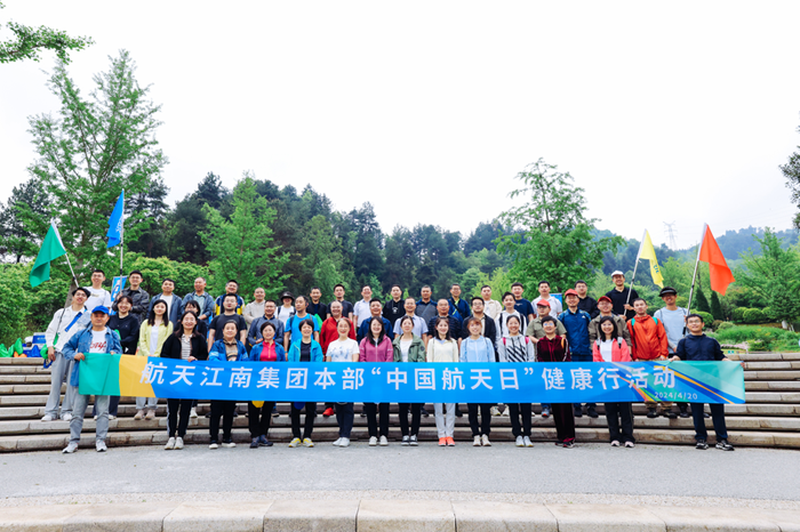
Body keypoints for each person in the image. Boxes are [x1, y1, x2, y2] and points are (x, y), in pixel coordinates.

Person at [61, 305, 122, 454]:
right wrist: (74, 355)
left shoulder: (112, 335)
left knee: (102, 412)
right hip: (84, 376)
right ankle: (73, 441)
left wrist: (114, 353)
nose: (99, 318)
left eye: (102, 316)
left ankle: (100, 440)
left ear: (107, 318)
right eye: (96, 315)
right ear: (91, 317)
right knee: (77, 411)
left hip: (103, 377)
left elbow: (119, 351)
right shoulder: (82, 334)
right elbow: (66, 348)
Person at [671, 314, 735, 451]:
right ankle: (700, 438)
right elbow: (679, 356)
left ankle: (722, 439)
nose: (694, 324)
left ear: (703, 324)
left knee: (718, 411)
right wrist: (674, 359)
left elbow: (720, 357)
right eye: (691, 322)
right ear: (687, 325)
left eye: (697, 321)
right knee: (697, 411)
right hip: (694, 381)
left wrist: (733, 363)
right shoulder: (684, 342)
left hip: (713, 380)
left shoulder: (711, 341)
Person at [160, 310, 208, 450]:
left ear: (196, 322)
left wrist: (196, 359)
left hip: (190, 379)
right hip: (174, 378)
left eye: (191, 319)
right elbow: (164, 354)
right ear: (181, 321)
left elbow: (204, 356)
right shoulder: (173, 337)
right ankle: (171, 436)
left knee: (185, 409)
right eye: (186, 319)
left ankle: (181, 436)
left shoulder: (200, 338)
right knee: (172, 409)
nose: (189, 321)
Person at [42, 287, 91, 422]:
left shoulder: (88, 315)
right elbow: (51, 330)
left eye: (83, 295)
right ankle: (50, 412)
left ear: (86, 299)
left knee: (71, 383)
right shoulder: (61, 312)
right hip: (59, 350)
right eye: (78, 294)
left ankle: (67, 411)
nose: (80, 297)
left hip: (76, 354)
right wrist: (50, 346)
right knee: (55, 383)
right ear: (73, 297)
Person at [592, 316, 635, 448]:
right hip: (606, 380)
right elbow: (596, 360)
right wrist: (607, 371)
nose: (607, 327)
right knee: (610, 410)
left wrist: (617, 371)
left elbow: (625, 359)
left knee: (625, 410)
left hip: (621, 380)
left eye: (609, 324)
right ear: (600, 327)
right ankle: (614, 437)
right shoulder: (597, 343)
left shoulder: (621, 341)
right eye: (604, 325)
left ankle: (628, 437)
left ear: (614, 326)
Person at [627, 298, 673, 418]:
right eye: (637, 305)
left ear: (646, 306)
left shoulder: (655, 320)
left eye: (642, 304)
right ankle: (651, 407)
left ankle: (667, 407)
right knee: (647, 384)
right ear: (634, 308)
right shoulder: (631, 323)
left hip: (658, 356)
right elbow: (631, 341)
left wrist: (664, 353)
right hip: (641, 358)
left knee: (663, 382)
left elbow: (662, 337)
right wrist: (635, 357)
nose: (640, 307)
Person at [537, 316, 576, 448]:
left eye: (550, 323)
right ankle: (561, 436)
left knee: (566, 408)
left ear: (555, 326)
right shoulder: (540, 342)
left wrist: (558, 369)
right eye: (545, 324)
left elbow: (566, 358)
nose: (548, 326)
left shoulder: (562, 341)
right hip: (550, 378)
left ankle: (569, 437)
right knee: (556, 407)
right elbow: (539, 358)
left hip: (562, 377)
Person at [207, 321, 248, 449]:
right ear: (223, 331)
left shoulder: (240, 345)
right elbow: (212, 359)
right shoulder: (217, 344)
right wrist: (228, 366)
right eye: (227, 328)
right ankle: (213, 439)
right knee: (215, 411)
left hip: (233, 383)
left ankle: (227, 438)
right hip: (218, 382)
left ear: (236, 331)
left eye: (232, 328)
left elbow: (245, 361)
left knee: (229, 411)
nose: (230, 330)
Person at [497, 315, 535, 447]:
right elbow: (503, 360)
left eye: (516, 323)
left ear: (520, 325)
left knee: (526, 407)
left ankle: (527, 434)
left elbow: (531, 358)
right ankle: (517, 434)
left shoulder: (526, 340)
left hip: (525, 377)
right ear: (507, 325)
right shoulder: (502, 341)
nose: (513, 326)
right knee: (513, 407)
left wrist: (525, 372)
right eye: (511, 323)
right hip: (510, 378)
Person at [559, 289, 597, 419]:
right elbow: (562, 334)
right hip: (572, 352)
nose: (572, 300)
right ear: (566, 301)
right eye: (569, 298)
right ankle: (577, 406)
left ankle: (591, 406)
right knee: (574, 379)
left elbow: (591, 331)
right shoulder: (563, 316)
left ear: (578, 299)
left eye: (574, 297)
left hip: (587, 351)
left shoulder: (585, 315)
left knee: (590, 378)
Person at [525, 299, 566, 418]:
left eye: (544, 307)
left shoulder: (556, 321)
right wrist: (541, 342)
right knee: (543, 382)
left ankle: (559, 405)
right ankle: (545, 406)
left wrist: (556, 343)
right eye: (539, 307)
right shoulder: (533, 322)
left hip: (556, 356)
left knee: (558, 381)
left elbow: (563, 334)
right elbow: (529, 336)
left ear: (549, 309)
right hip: (541, 356)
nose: (541, 309)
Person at [286, 319, 324, 447]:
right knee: (295, 410)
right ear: (300, 330)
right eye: (304, 327)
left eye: (309, 327)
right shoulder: (294, 344)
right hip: (297, 381)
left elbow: (319, 362)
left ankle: (307, 436)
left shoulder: (316, 346)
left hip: (311, 382)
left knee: (310, 409)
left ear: (312, 330)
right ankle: (296, 436)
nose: (306, 329)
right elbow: (291, 361)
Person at [248, 321, 286, 448]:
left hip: (272, 381)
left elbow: (282, 365)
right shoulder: (256, 348)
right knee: (253, 409)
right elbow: (251, 364)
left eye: (270, 330)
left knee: (268, 409)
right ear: (261, 333)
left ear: (274, 332)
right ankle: (254, 435)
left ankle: (263, 434)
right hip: (257, 382)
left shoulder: (279, 348)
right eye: (265, 330)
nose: (268, 333)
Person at [654, 286, 690, 418]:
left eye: (671, 295)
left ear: (675, 296)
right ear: (663, 299)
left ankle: (691, 406)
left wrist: (683, 346)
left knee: (687, 379)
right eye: (665, 296)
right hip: (670, 351)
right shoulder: (659, 313)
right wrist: (674, 346)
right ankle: (680, 407)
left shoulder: (685, 311)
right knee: (674, 380)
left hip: (686, 350)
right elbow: (660, 333)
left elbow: (691, 329)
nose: (668, 297)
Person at [135, 299, 173, 420]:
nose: (159, 308)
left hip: (158, 358)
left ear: (165, 309)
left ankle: (152, 408)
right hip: (144, 357)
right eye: (157, 306)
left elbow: (166, 341)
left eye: (162, 306)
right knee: (141, 382)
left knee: (155, 382)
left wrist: (156, 354)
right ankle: (140, 409)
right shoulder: (146, 323)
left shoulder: (168, 324)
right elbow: (141, 339)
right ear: (153, 308)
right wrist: (147, 353)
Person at [104, 295, 140, 420]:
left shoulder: (134, 320)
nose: (123, 305)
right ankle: (99, 411)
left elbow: (133, 336)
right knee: (105, 382)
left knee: (116, 382)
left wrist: (118, 343)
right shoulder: (110, 318)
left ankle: (111, 411)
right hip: (109, 354)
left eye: (127, 303)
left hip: (124, 354)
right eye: (121, 302)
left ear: (131, 306)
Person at [461, 317, 495, 447]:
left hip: (484, 378)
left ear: (481, 327)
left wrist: (491, 376)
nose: (475, 328)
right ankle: (475, 434)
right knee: (472, 409)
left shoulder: (487, 341)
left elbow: (491, 359)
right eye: (472, 325)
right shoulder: (465, 342)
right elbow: (463, 360)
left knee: (485, 409)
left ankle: (485, 434)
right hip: (471, 379)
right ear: (468, 328)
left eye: (477, 325)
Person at [392, 315, 426, 446]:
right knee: (403, 408)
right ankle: (405, 434)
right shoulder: (395, 342)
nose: (407, 325)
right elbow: (394, 360)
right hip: (400, 378)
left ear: (413, 326)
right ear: (401, 326)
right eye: (404, 323)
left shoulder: (418, 341)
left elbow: (421, 359)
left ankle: (414, 434)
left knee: (416, 408)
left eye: (409, 323)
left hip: (414, 377)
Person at [359, 318, 394, 446]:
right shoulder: (364, 341)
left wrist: (382, 372)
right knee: (370, 407)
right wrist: (369, 372)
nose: (376, 327)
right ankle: (373, 434)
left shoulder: (387, 340)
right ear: (370, 326)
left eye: (379, 325)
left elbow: (389, 358)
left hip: (383, 378)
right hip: (369, 378)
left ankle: (384, 434)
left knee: (384, 407)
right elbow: (362, 358)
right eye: (374, 325)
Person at [326, 317, 359, 447]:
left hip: (348, 378)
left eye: (346, 326)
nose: (343, 328)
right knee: (338, 408)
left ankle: (346, 435)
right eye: (341, 326)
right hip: (335, 379)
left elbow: (355, 360)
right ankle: (341, 434)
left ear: (349, 329)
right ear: (337, 328)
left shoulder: (353, 343)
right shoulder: (332, 344)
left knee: (348, 408)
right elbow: (328, 362)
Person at [426, 317, 459, 446]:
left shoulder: (453, 342)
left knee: (451, 409)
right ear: (436, 327)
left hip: (450, 377)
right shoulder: (432, 342)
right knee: (438, 409)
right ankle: (441, 435)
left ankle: (450, 435)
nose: (443, 328)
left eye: (445, 325)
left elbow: (456, 360)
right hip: (437, 378)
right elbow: (429, 360)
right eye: (441, 325)